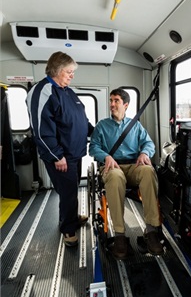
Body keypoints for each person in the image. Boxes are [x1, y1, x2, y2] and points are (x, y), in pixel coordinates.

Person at [26, 51, 94, 247]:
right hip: (61, 156)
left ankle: (70, 218)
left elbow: (80, 120)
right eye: (69, 72)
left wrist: (97, 133)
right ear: (56, 70)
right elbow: (40, 130)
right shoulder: (43, 91)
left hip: (75, 153)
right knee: (68, 193)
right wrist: (57, 156)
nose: (72, 76)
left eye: (73, 72)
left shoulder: (68, 92)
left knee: (71, 190)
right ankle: (68, 230)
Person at [89, 88, 163, 259]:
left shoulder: (135, 125)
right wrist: (105, 156)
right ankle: (120, 235)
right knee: (115, 177)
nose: (112, 104)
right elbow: (93, 147)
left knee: (148, 171)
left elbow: (149, 144)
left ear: (126, 105)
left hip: (132, 166)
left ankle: (151, 230)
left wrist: (145, 153)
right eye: (111, 100)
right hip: (112, 167)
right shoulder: (102, 126)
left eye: (116, 101)